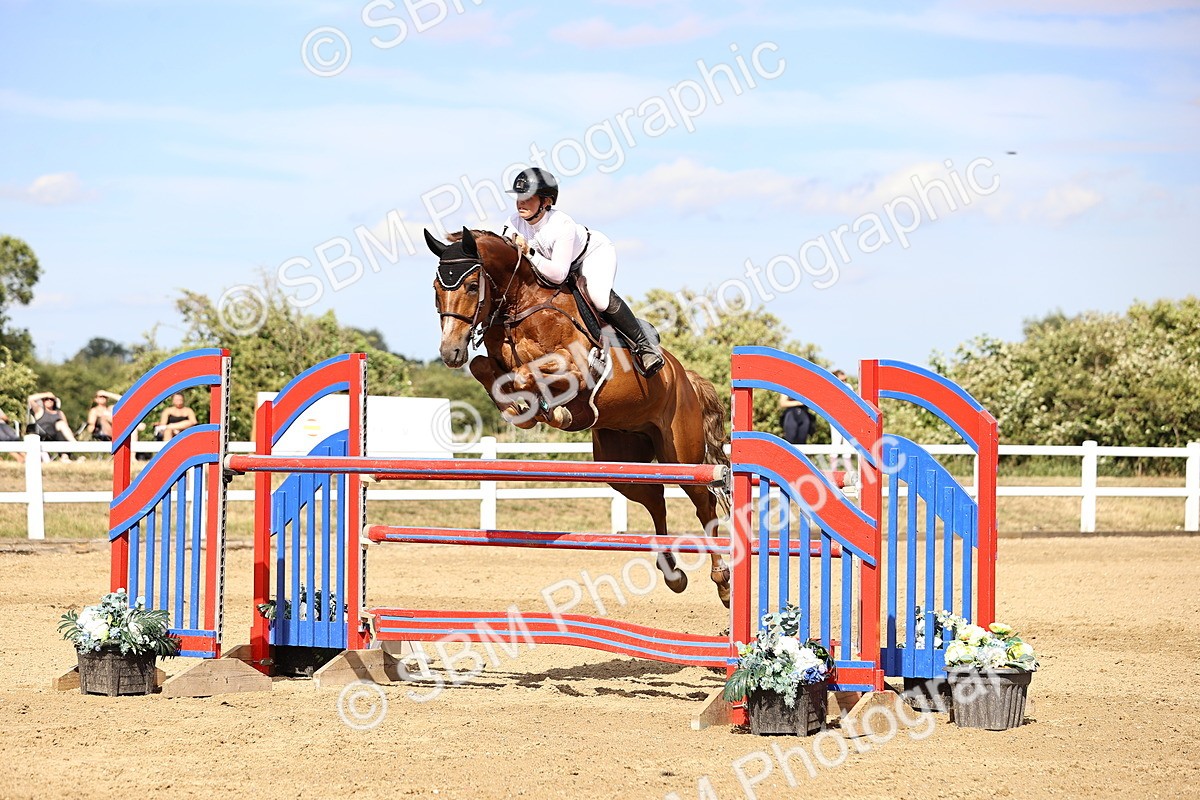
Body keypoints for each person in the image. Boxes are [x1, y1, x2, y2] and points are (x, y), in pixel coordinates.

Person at [501, 167, 665, 377]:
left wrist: (529, 252)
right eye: (518, 197)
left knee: (599, 298)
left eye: (528, 197)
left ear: (546, 201)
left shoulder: (562, 225)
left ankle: (644, 346)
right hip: (554, 265)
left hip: (591, 255)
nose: (520, 203)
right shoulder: (512, 223)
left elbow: (559, 275)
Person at [27, 392, 76, 461]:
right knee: (60, 424)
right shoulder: (40, 411)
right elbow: (30, 398)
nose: (49, 401)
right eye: (47, 399)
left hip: (57, 436)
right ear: (43, 401)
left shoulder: (60, 413)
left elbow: (66, 427)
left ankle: (65, 456)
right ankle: (75, 445)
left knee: (61, 427)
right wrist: (47, 394)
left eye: (52, 399)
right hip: (44, 435)